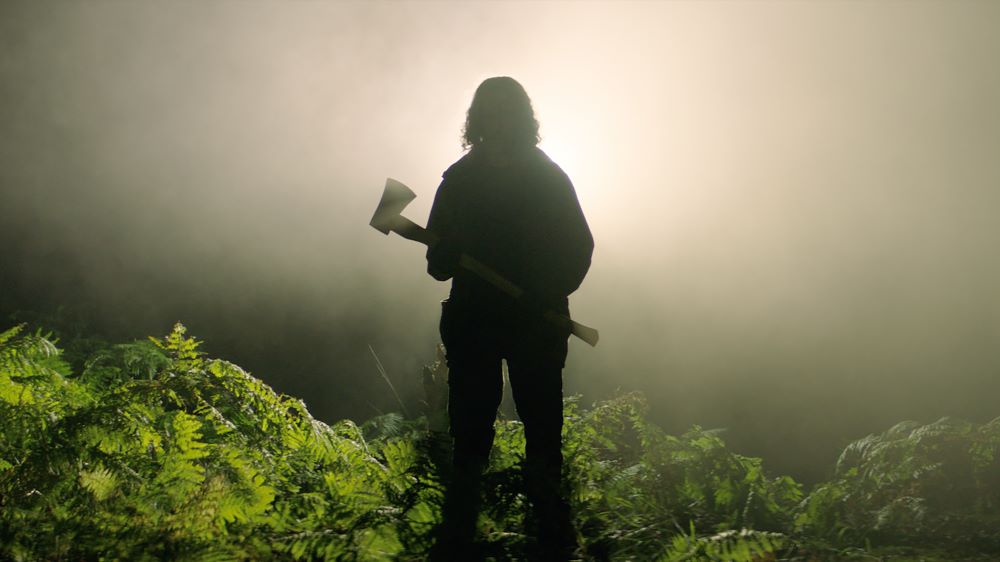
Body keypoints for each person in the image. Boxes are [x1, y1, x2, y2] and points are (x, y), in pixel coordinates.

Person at [425, 76, 593, 560]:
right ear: (477, 120)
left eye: (505, 111)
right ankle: (462, 536)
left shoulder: (548, 178)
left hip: (535, 322)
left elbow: (579, 247)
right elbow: (437, 266)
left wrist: (547, 290)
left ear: (520, 118)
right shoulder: (458, 181)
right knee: (471, 430)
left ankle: (550, 536)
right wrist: (447, 252)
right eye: (489, 111)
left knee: (542, 427)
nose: (497, 120)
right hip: (473, 322)